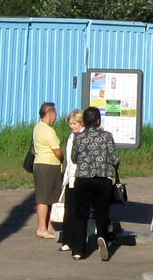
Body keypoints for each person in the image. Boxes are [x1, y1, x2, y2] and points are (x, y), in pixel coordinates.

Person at [70, 106, 120, 261]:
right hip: (102, 179)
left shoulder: (79, 137)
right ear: (99, 120)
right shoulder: (106, 136)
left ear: (84, 121)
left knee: (80, 214)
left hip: (83, 179)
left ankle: (78, 250)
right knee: (102, 212)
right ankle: (103, 240)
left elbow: (73, 158)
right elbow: (115, 159)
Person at [32, 102, 63, 240]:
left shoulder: (38, 127)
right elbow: (57, 151)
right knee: (44, 199)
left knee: (50, 197)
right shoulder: (48, 130)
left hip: (40, 163)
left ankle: (49, 226)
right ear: (50, 113)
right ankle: (42, 228)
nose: (56, 116)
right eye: (55, 112)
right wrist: (62, 158)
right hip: (48, 165)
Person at [58, 109, 85, 253]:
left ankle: (77, 240)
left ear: (81, 122)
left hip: (81, 177)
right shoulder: (71, 137)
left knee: (78, 211)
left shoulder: (84, 136)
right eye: (70, 123)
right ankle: (67, 240)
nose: (72, 126)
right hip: (70, 178)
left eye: (74, 123)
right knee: (69, 210)